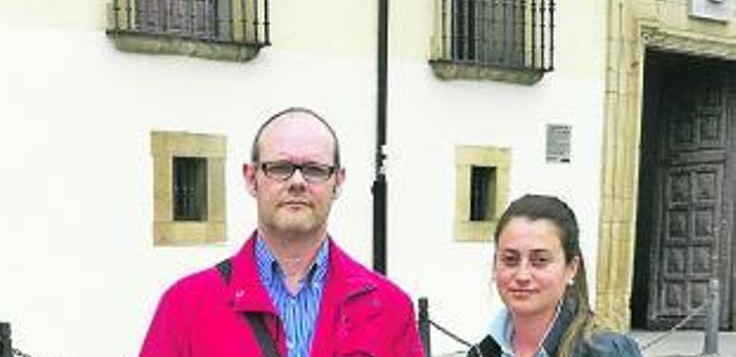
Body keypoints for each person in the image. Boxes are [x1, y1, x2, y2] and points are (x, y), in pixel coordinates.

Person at [139, 107, 424, 357]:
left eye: (314, 169)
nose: (297, 182)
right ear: (251, 179)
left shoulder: (390, 308)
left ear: (338, 182)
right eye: (280, 167)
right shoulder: (185, 307)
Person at [469, 194, 641, 357]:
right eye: (510, 259)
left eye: (540, 260)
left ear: (571, 268)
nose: (522, 275)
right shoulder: (482, 352)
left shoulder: (607, 351)